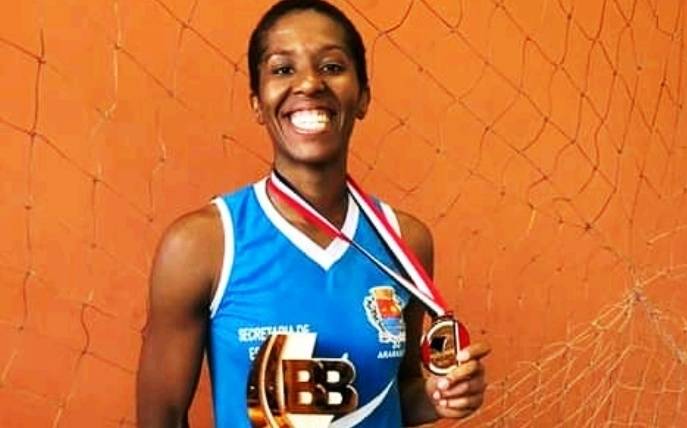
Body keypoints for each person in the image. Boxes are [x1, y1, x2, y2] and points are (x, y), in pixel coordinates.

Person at [136, 0, 490, 426]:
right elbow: (161, 417)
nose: (309, 83)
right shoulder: (203, 244)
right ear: (257, 103)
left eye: (332, 67)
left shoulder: (405, 239)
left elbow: (399, 392)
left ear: (363, 97)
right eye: (283, 69)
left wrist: (438, 396)